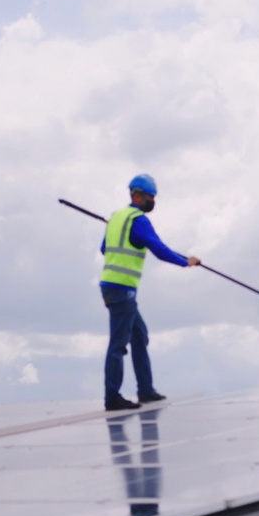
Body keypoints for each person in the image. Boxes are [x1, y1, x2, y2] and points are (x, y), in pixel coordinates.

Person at [99, 174, 200, 411]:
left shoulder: (117, 218)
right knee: (119, 343)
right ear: (136, 194)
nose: (152, 201)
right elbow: (159, 249)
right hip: (122, 289)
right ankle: (112, 397)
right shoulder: (138, 220)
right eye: (149, 197)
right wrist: (187, 262)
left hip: (113, 286)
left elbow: (105, 248)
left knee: (139, 335)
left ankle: (145, 390)